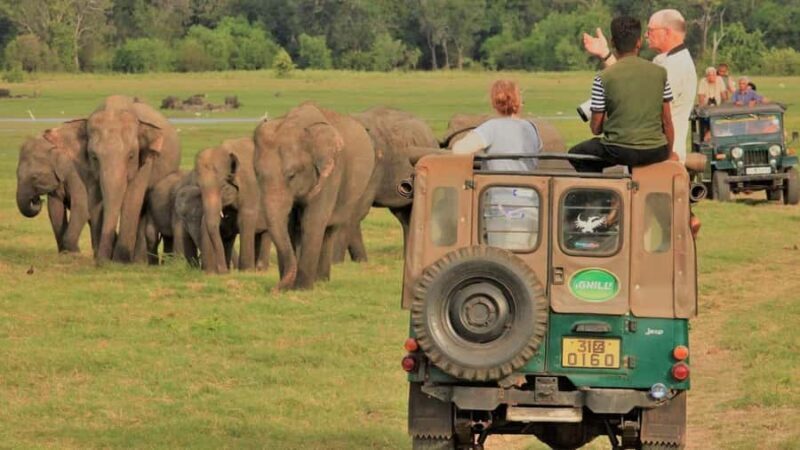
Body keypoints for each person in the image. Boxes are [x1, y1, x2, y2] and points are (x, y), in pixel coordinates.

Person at [583, 9, 695, 161]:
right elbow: (630, 77)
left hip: (663, 153)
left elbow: (634, 91)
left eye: (650, 30)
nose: (646, 35)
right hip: (653, 148)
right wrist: (606, 54)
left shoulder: (676, 66)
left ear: (667, 32)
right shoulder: (667, 61)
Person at [568, 16, 674, 173]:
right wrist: (668, 153)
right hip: (656, 151)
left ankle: (598, 195)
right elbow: (667, 122)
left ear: (612, 42)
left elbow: (596, 129)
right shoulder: (660, 73)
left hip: (619, 150)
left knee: (577, 155)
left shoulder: (603, 77)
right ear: (639, 42)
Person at [452, 79, 542, 170]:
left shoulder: (491, 127)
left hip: (496, 183)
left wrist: (472, 135)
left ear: (494, 103)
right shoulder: (531, 127)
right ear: (519, 101)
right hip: (529, 183)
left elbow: (458, 150)